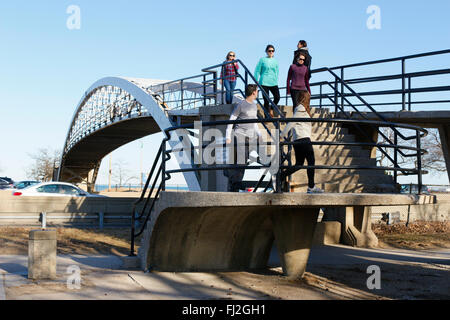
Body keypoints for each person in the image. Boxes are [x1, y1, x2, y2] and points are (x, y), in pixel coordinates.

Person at [280, 92, 323, 193]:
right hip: (304, 139)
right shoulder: (300, 108)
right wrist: (281, 136)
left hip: (298, 140)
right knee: (311, 162)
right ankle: (311, 187)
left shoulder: (300, 108)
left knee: (299, 164)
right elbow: (292, 122)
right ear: (306, 98)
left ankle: (280, 176)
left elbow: (296, 124)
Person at [225, 84, 262, 192]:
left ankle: (232, 178)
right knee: (241, 162)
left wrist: (259, 135)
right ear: (254, 92)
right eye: (257, 91)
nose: (258, 93)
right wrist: (228, 136)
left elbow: (254, 122)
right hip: (239, 135)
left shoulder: (254, 106)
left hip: (248, 138)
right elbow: (232, 119)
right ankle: (236, 183)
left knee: (243, 162)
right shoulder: (241, 104)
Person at [254, 45, 280, 118]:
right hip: (264, 82)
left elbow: (277, 72)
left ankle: (271, 109)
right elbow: (257, 71)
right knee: (266, 100)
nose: (271, 52)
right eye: (269, 51)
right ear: (266, 51)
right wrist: (256, 81)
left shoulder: (275, 61)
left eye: (272, 51)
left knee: (277, 97)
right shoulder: (262, 60)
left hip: (273, 82)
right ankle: (266, 117)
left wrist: (276, 79)